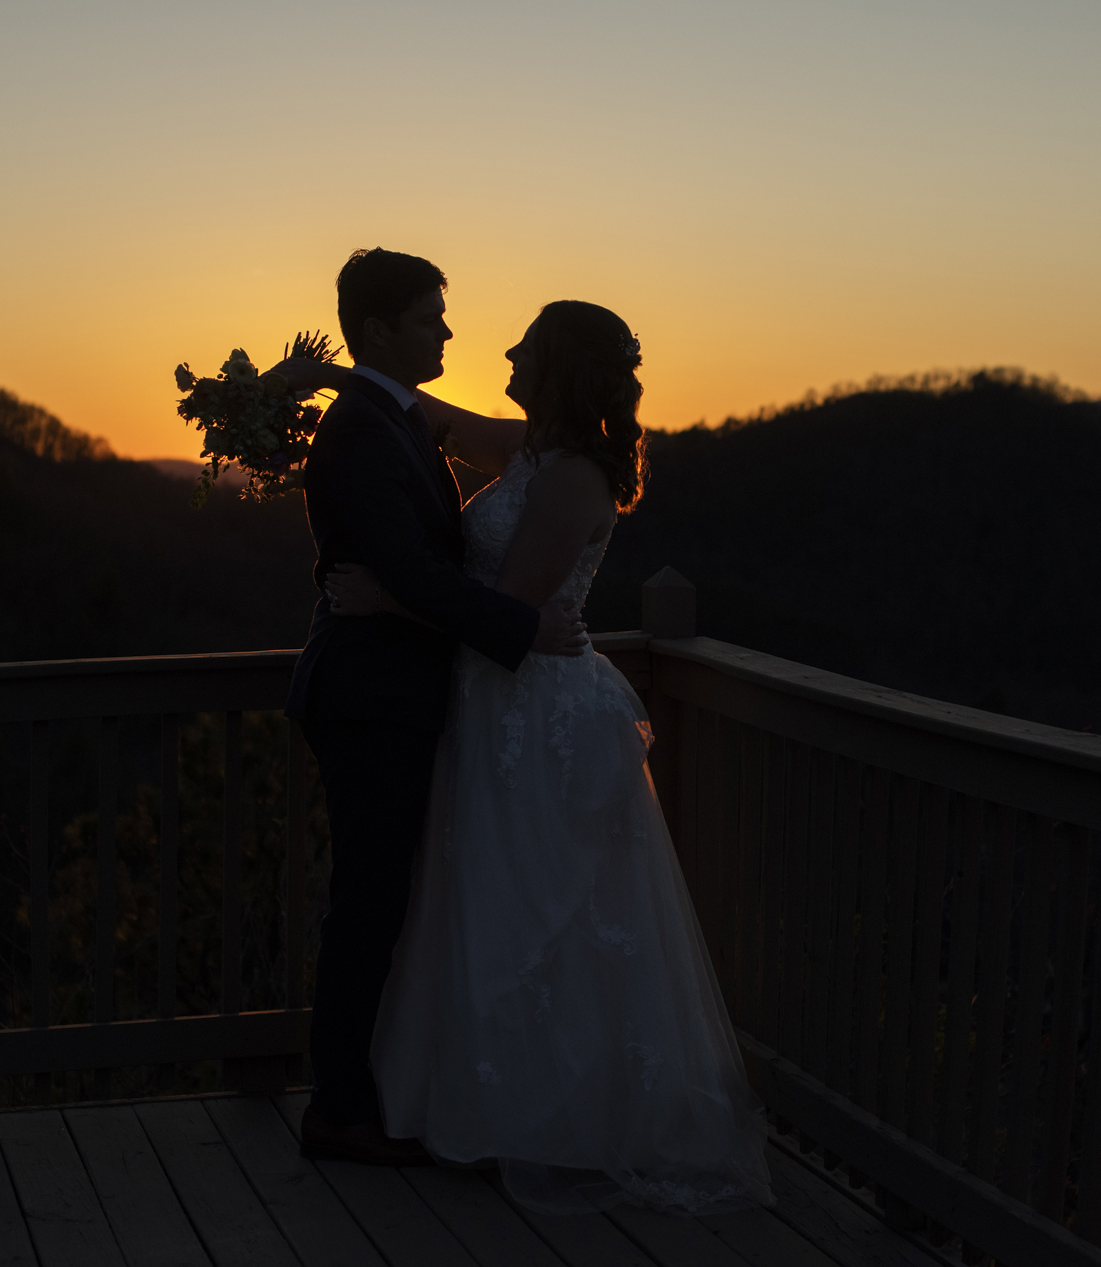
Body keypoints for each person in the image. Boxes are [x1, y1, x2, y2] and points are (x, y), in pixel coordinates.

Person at [281, 299, 771, 1214]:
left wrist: (385, 599)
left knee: (538, 913)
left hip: (538, 714)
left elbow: (506, 602)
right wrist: (322, 380)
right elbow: (423, 414)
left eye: (525, 345)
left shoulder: (577, 476)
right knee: (479, 901)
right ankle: (472, 1094)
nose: (502, 349)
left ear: (557, 367)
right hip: (492, 698)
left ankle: (546, 1114)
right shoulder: (531, 450)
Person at [281, 249, 589, 1167]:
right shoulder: (360, 434)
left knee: (387, 901)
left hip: (403, 690)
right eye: (429, 319)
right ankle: (340, 1107)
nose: (449, 332)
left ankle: (378, 1090)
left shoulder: (393, 414)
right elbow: (414, 571)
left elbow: (413, 574)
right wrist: (520, 628)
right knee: (369, 904)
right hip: (371, 697)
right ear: (381, 330)